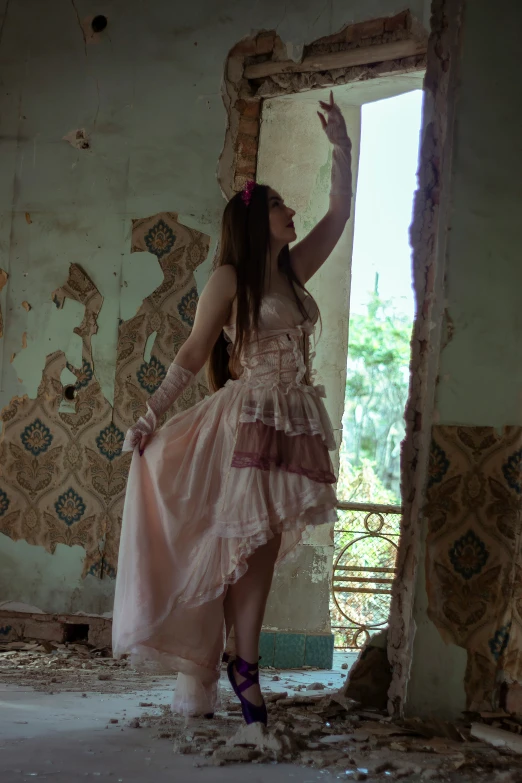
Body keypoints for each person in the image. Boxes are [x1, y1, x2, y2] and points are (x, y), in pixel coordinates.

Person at [112, 91, 352, 726]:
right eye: (279, 204)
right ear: (253, 220)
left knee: (263, 548)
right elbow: (194, 352)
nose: (291, 210)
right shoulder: (228, 280)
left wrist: (342, 150)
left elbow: (339, 211)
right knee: (238, 547)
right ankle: (236, 668)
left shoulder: (295, 272)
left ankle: (244, 666)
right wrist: (150, 416)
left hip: (293, 418)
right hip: (244, 419)